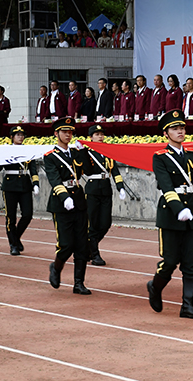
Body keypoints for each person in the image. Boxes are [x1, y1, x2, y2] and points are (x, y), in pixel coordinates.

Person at [146, 110, 193, 318]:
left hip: (191, 211)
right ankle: (155, 287)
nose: (180, 131)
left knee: (191, 261)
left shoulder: (191, 156)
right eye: (175, 129)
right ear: (166, 133)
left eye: (182, 128)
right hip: (171, 212)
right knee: (169, 261)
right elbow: (166, 187)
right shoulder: (160, 157)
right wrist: (179, 208)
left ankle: (187, 305)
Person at [44, 117, 91, 294]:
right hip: (61, 203)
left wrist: (84, 152)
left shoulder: (75, 153)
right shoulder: (50, 157)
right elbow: (54, 179)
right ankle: (56, 267)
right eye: (64, 131)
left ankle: (79, 283)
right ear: (56, 134)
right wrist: (64, 197)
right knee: (66, 244)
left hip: (78, 200)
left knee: (81, 244)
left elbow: (87, 169)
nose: (68, 134)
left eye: (70, 131)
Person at [81, 124, 127, 267]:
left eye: (102, 134)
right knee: (93, 223)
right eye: (97, 134)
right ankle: (95, 254)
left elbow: (114, 171)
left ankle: (88, 247)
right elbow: (87, 171)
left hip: (106, 189)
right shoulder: (88, 152)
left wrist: (120, 187)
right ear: (91, 137)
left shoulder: (107, 151)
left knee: (105, 223)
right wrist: (82, 152)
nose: (100, 137)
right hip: (93, 189)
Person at [0, 126, 40, 256]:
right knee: (11, 217)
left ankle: (16, 237)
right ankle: (13, 244)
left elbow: (33, 168)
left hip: (25, 184)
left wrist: (35, 183)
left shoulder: (28, 150)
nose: (20, 137)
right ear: (12, 137)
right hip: (10, 185)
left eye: (22, 135)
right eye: (17, 135)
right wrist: (0, 156)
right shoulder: (7, 150)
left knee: (27, 214)